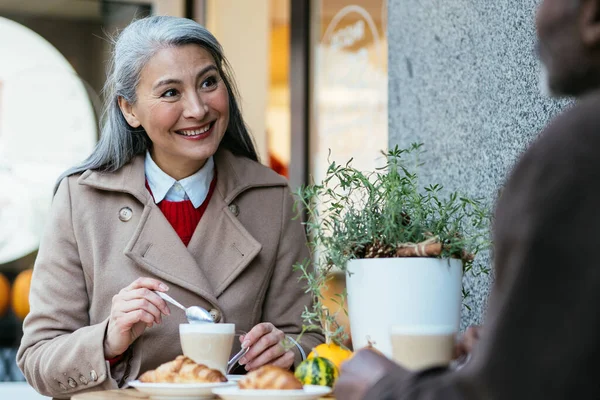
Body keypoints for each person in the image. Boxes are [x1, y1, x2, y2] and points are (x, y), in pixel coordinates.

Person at [17, 16, 323, 399]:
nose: (197, 109)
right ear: (130, 110)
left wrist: (287, 351)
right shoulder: (81, 199)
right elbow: (38, 358)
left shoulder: (271, 198)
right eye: (170, 93)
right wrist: (109, 340)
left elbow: (309, 336)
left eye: (208, 83)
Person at [336, 0, 600, 398]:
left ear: (593, 15)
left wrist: (379, 386)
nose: (535, 17)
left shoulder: (579, 153)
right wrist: (506, 352)